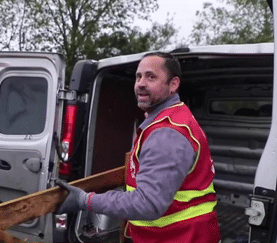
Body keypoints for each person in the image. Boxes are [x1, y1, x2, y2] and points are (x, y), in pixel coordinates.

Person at [56, 52, 221, 242]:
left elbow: (147, 204)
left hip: (179, 237)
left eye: (151, 77)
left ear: (173, 84)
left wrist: (85, 200)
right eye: (138, 76)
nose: (141, 83)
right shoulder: (173, 117)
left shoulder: (167, 133)